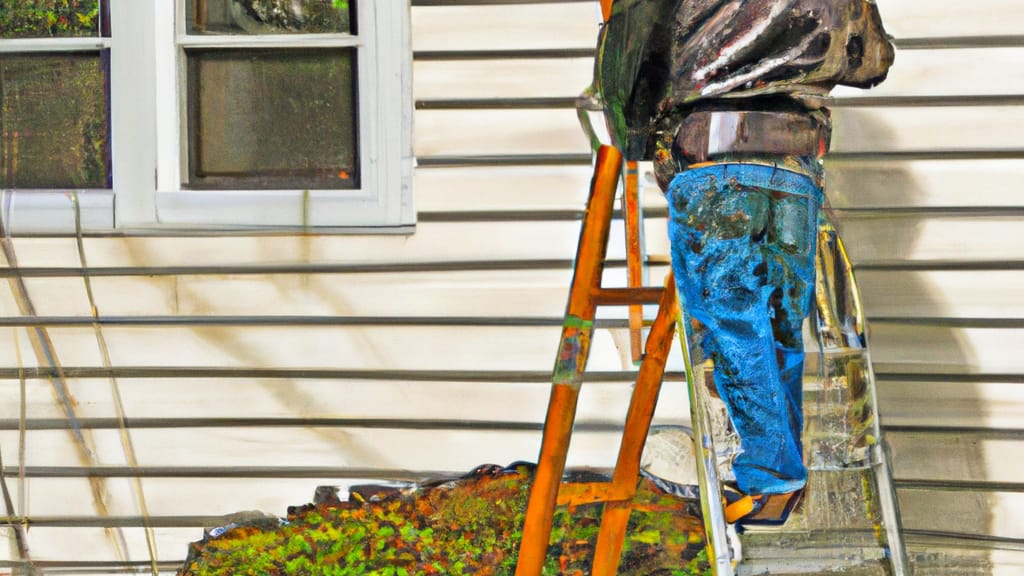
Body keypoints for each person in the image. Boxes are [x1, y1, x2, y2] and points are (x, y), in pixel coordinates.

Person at [595, 0, 895, 524]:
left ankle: (770, 477)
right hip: (795, 165)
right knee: (779, 324)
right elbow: (873, 59)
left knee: (734, 324)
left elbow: (627, 70)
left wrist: (641, 136)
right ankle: (780, 476)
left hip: (715, 159)